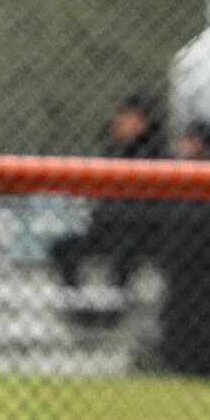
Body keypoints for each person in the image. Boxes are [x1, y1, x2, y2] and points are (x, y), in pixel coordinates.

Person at [49, 92, 167, 294]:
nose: (119, 123)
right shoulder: (113, 150)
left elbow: (153, 205)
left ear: (142, 121)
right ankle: (76, 298)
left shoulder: (156, 153)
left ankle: (116, 299)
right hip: (106, 229)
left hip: (141, 232)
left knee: (125, 251)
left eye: (127, 118)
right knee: (62, 247)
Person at [154, 119, 210, 375]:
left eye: (190, 140)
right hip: (178, 264)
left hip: (203, 265)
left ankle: (202, 364)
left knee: (203, 317)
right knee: (176, 316)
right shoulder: (176, 176)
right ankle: (176, 362)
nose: (183, 145)